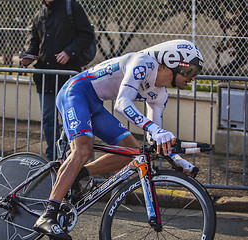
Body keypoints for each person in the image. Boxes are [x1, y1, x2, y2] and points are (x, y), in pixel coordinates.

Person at [33, 39, 204, 239]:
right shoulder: (142, 63)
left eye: (196, 74)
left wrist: (179, 161)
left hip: (95, 104)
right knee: (83, 150)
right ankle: (48, 214)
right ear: (171, 62)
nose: (192, 78)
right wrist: (156, 130)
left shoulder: (160, 94)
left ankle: (79, 173)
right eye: (189, 71)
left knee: (131, 151)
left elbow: (153, 138)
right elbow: (122, 103)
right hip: (76, 91)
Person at [20, 0, 95, 161]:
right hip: (45, 78)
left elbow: (86, 35)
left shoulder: (71, 7)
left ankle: (71, 157)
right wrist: (28, 57)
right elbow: (35, 43)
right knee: (48, 120)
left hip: (68, 79)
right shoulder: (40, 14)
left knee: (71, 121)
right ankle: (53, 159)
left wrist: (69, 52)